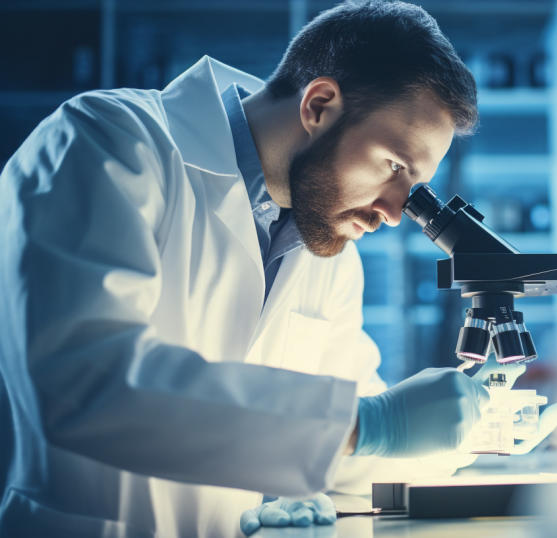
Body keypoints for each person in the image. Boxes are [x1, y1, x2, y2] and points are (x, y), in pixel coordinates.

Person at [0, 1, 491, 535]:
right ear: (319, 105)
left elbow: (343, 442)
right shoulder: (107, 144)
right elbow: (85, 388)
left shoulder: (323, 244)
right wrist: (373, 424)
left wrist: (466, 431)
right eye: (393, 165)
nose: (396, 212)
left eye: (412, 186)